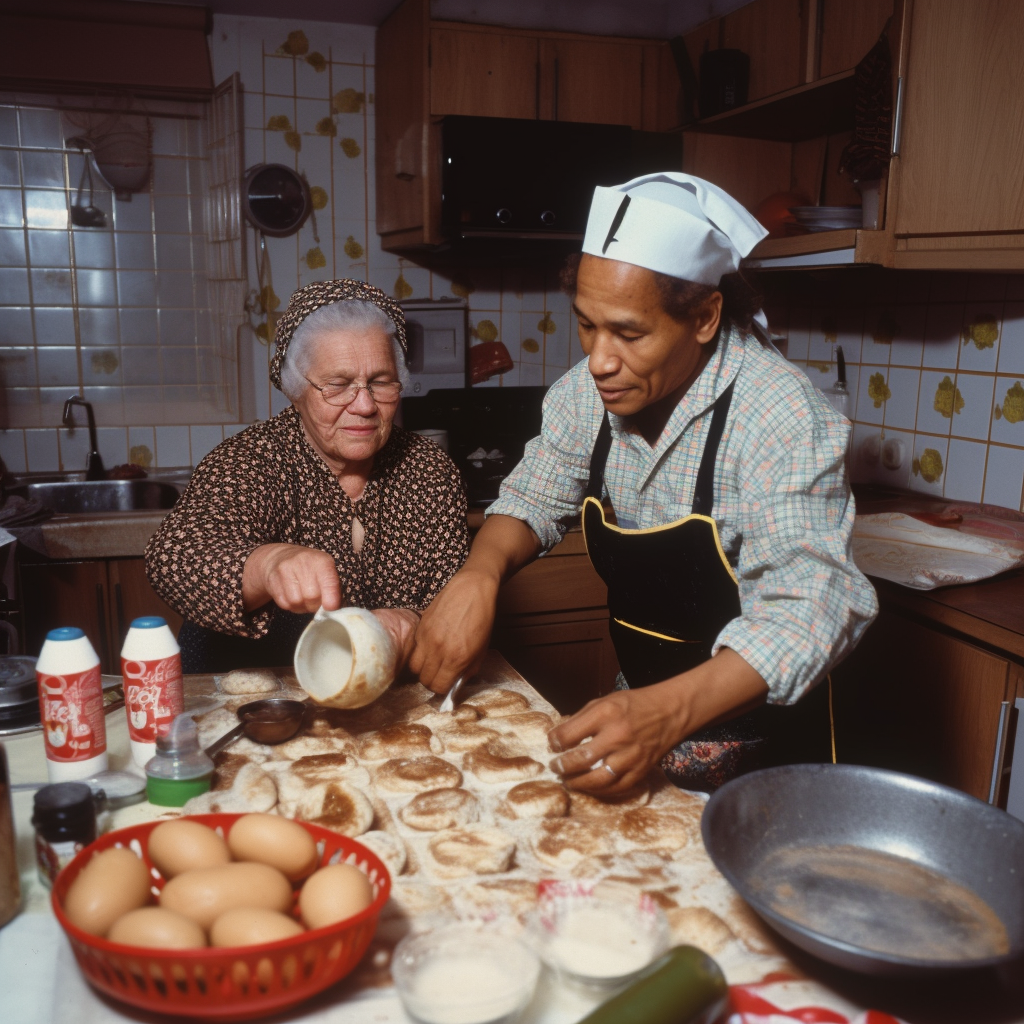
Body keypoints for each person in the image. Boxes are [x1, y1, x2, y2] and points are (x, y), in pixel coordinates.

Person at [411, 173, 878, 794]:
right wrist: (479, 573)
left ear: (705, 316)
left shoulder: (780, 415)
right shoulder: (587, 393)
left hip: (774, 753)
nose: (600, 359)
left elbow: (808, 609)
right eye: (586, 324)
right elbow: (531, 496)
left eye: (629, 333)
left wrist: (665, 713)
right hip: (646, 721)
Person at [146, 279, 469, 673]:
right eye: (338, 385)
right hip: (243, 695)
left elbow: (456, 598)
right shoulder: (252, 460)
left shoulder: (429, 471)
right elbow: (172, 557)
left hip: (379, 695)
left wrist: (410, 621)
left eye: (381, 382)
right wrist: (267, 562)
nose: (365, 405)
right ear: (296, 389)